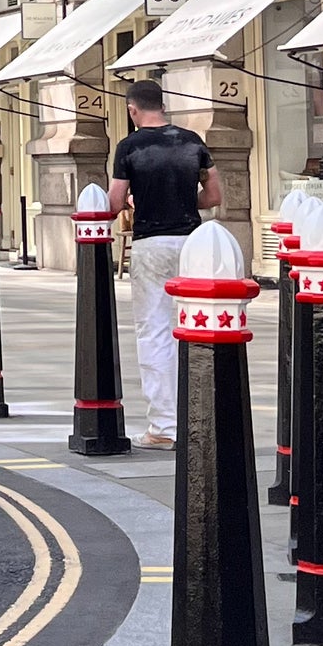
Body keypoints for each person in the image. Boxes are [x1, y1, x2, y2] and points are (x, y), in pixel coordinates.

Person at [108, 78, 222, 449]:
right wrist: (187, 205)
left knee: (154, 331)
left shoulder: (130, 147)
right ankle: (205, 418)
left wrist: (129, 205)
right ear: (163, 105)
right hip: (194, 242)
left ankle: (164, 427)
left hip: (152, 244)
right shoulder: (192, 141)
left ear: (132, 109)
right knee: (198, 329)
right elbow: (215, 195)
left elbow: (112, 202)